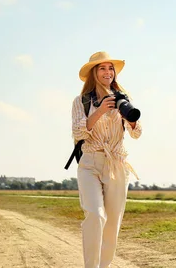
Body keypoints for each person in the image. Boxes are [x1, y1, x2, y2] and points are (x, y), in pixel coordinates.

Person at [71, 51, 143, 268]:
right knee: (95, 215)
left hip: (117, 163)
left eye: (110, 68)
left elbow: (137, 133)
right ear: (94, 73)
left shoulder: (124, 98)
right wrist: (101, 110)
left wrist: (129, 120)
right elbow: (78, 131)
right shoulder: (82, 101)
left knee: (112, 223)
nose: (107, 72)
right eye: (102, 68)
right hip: (90, 162)